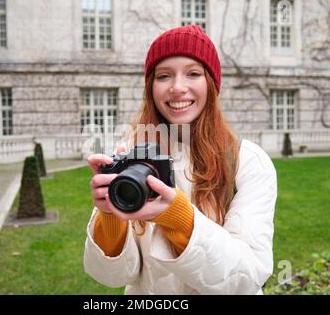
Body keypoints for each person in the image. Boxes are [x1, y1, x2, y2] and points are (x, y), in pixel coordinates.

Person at [83, 25, 277, 295]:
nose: (177, 87)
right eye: (164, 76)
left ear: (211, 84)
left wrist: (180, 219)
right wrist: (110, 214)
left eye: (193, 73)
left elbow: (246, 280)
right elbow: (113, 275)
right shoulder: (131, 155)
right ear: (151, 87)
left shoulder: (248, 161)